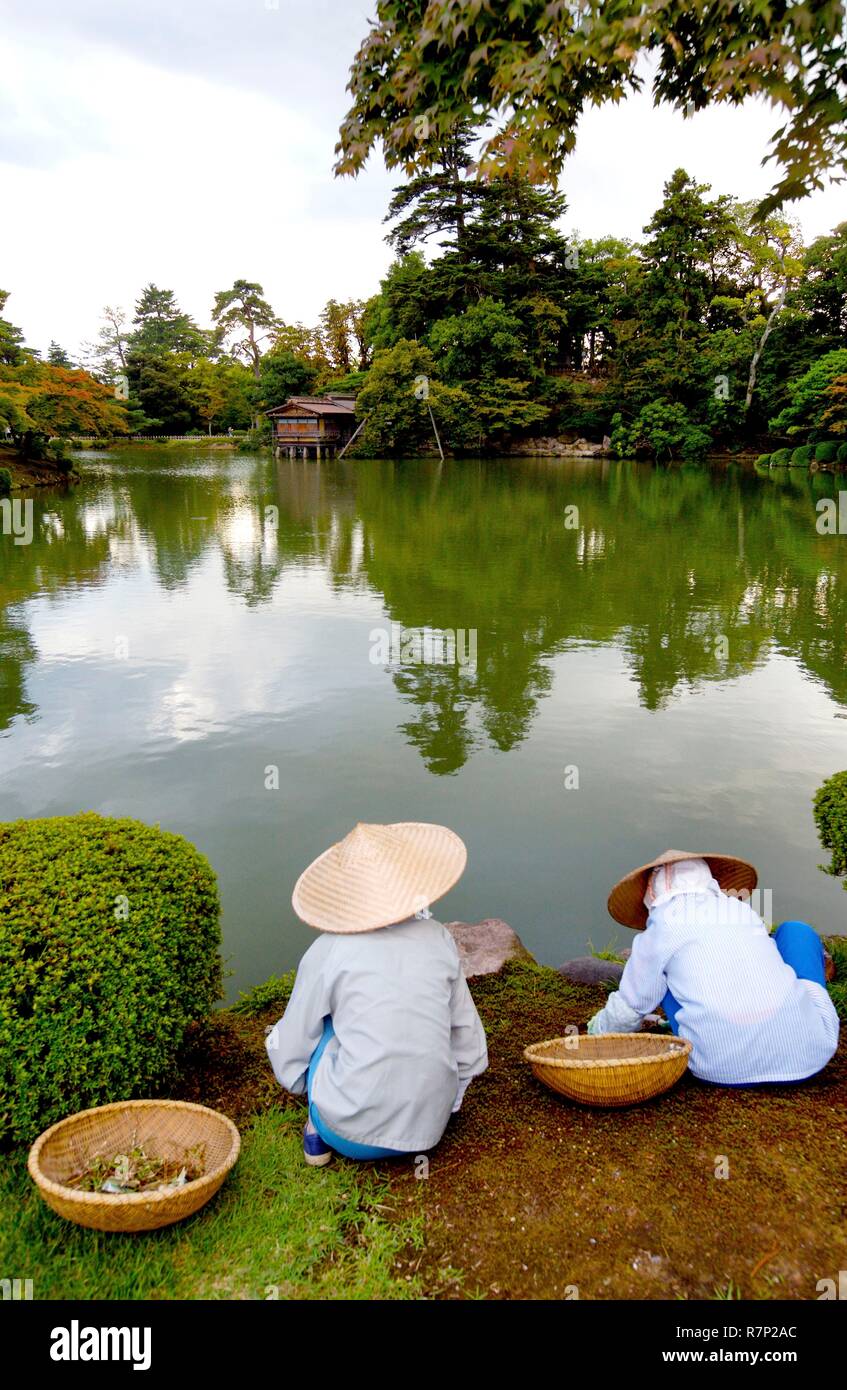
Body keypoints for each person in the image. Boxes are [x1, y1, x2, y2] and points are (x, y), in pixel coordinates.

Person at [265, 821, 488, 1165]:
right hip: (431, 1128)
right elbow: (468, 1038)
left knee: (325, 1027)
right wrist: (452, 1098)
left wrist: (297, 1082)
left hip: (350, 1134)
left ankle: (317, 1130)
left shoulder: (330, 948)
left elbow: (294, 1039)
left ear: (343, 894)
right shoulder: (437, 937)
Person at [587, 849, 839, 1086]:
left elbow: (630, 1005)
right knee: (796, 931)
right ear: (710, 883)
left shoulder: (661, 928)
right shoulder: (742, 911)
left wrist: (597, 1033)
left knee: (657, 977)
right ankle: (793, 1020)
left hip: (718, 1067)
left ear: (651, 895)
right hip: (810, 1055)